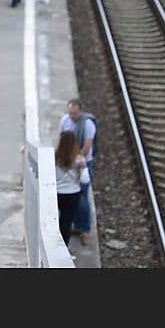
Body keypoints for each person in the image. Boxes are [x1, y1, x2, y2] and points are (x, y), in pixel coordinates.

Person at [59, 99, 96, 246]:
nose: (72, 116)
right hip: (69, 160)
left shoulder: (87, 124)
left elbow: (87, 145)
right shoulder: (65, 120)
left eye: (74, 113)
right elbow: (61, 138)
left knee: (82, 197)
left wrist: (77, 158)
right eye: (70, 113)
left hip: (82, 161)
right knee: (73, 197)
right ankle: (76, 225)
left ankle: (84, 229)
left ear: (80, 111)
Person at [55, 130, 87, 246]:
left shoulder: (54, 157)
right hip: (73, 194)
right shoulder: (79, 160)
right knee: (66, 223)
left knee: (53, 222)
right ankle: (64, 248)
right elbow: (85, 180)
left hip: (56, 194)